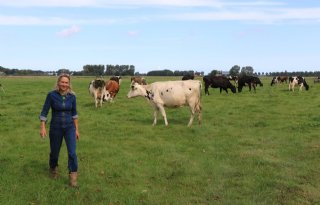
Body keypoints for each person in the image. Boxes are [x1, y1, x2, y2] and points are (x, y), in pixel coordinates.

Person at [39, 73, 79, 187]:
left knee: (72, 153)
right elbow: (44, 112)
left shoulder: (72, 96)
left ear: (69, 84)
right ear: (58, 82)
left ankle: (73, 178)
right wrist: (43, 127)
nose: (64, 84)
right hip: (55, 127)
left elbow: (74, 114)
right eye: (62, 82)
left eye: (66, 82)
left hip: (69, 128)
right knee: (54, 152)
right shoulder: (51, 95)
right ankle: (53, 169)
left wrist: (76, 130)